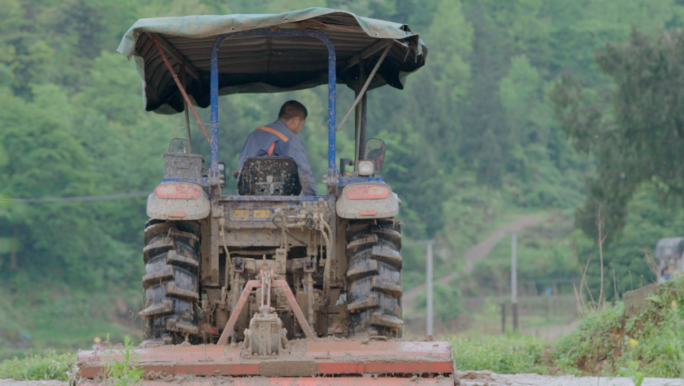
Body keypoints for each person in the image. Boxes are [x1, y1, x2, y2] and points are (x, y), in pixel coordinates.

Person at [237, 100, 317, 196]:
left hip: (247, 196)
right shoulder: (290, 138)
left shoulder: (254, 134)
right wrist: (312, 198)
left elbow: (241, 167)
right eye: (302, 124)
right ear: (296, 120)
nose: (300, 128)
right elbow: (304, 172)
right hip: (277, 198)